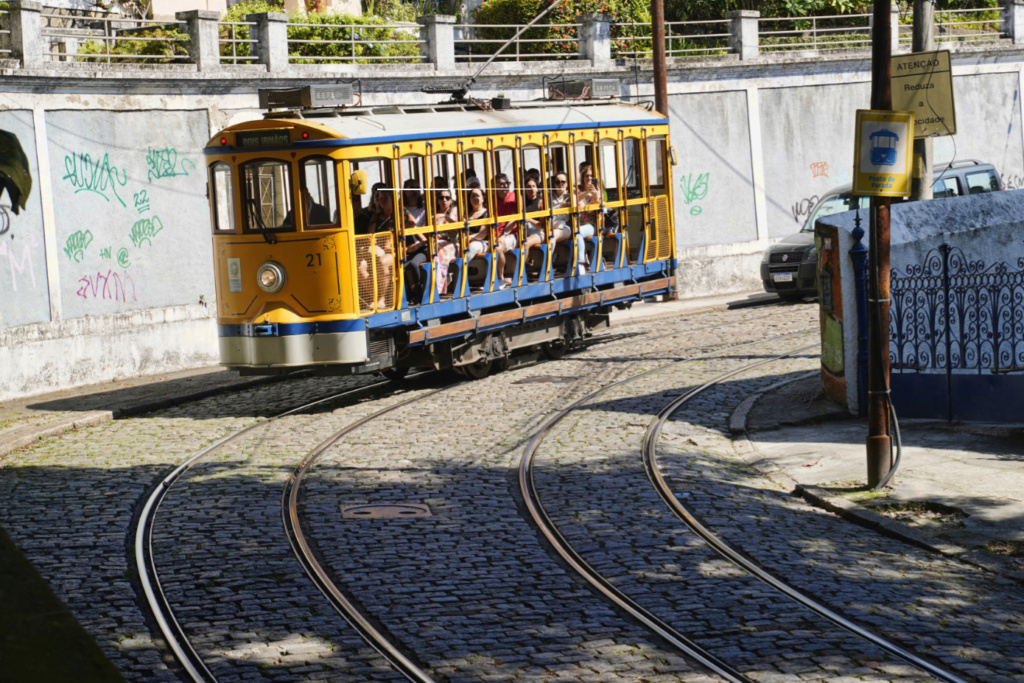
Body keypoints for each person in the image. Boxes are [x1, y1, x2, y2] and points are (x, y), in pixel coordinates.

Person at [355, 182, 395, 308]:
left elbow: (412, 223)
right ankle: (375, 296)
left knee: (381, 262)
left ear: (392, 199)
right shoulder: (376, 216)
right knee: (360, 265)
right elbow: (370, 235)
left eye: (385, 199)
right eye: (380, 199)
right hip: (377, 249)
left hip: (394, 249)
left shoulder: (398, 215)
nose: (382, 202)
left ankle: (382, 299)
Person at [492, 173, 517, 289]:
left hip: (510, 234)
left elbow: (512, 220)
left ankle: (500, 278)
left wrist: (503, 235)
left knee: (497, 247)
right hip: (493, 234)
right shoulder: (491, 199)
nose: (506, 186)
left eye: (507, 183)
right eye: (502, 184)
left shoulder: (515, 197)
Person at [575, 163, 599, 275]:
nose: (589, 178)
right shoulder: (578, 190)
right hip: (575, 222)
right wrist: (586, 192)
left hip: (590, 225)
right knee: (575, 231)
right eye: (586, 176)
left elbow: (597, 203)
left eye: (591, 176)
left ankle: (581, 263)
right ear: (583, 178)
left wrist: (593, 194)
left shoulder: (597, 191)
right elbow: (574, 200)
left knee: (578, 233)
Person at [521, 176, 546, 277]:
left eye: (533, 186)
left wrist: (529, 219)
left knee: (525, 243)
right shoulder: (522, 202)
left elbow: (543, 225)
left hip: (538, 233)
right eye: (528, 187)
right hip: (525, 231)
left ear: (537, 188)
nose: (531, 189)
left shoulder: (540, 202)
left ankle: (522, 270)